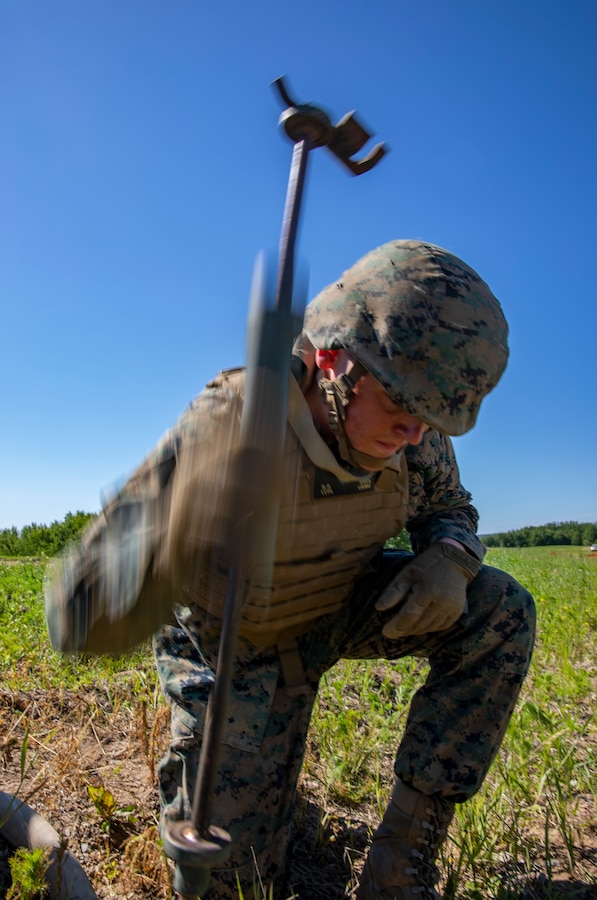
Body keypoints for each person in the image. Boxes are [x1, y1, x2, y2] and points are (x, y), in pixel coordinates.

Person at [45, 239, 536, 900]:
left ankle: (398, 859)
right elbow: (77, 615)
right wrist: (177, 533)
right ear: (335, 362)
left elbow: (449, 506)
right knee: (233, 882)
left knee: (499, 608)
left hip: (337, 605)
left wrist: (447, 559)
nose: (415, 436)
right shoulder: (230, 421)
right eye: (401, 415)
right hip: (234, 646)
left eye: (429, 421)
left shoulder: (414, 423)